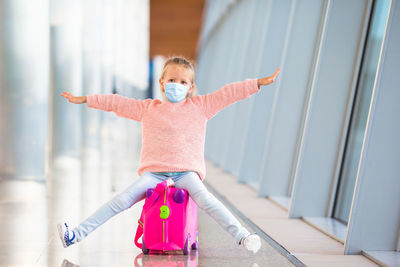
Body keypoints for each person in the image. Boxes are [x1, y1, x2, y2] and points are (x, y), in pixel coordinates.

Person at [58, 56, 280, 254]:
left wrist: (256, 83)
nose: (177, 85)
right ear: (162, 82)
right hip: (154, 173)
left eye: (183, 82)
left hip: (186, 173)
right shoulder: (148, 108)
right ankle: (74, 235)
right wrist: (86, 99)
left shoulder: (201, 106)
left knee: (207, 200)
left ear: (191, 87)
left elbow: (227, 94)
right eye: (172, 80)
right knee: (121, 200)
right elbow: (117, 103)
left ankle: (243, 236)